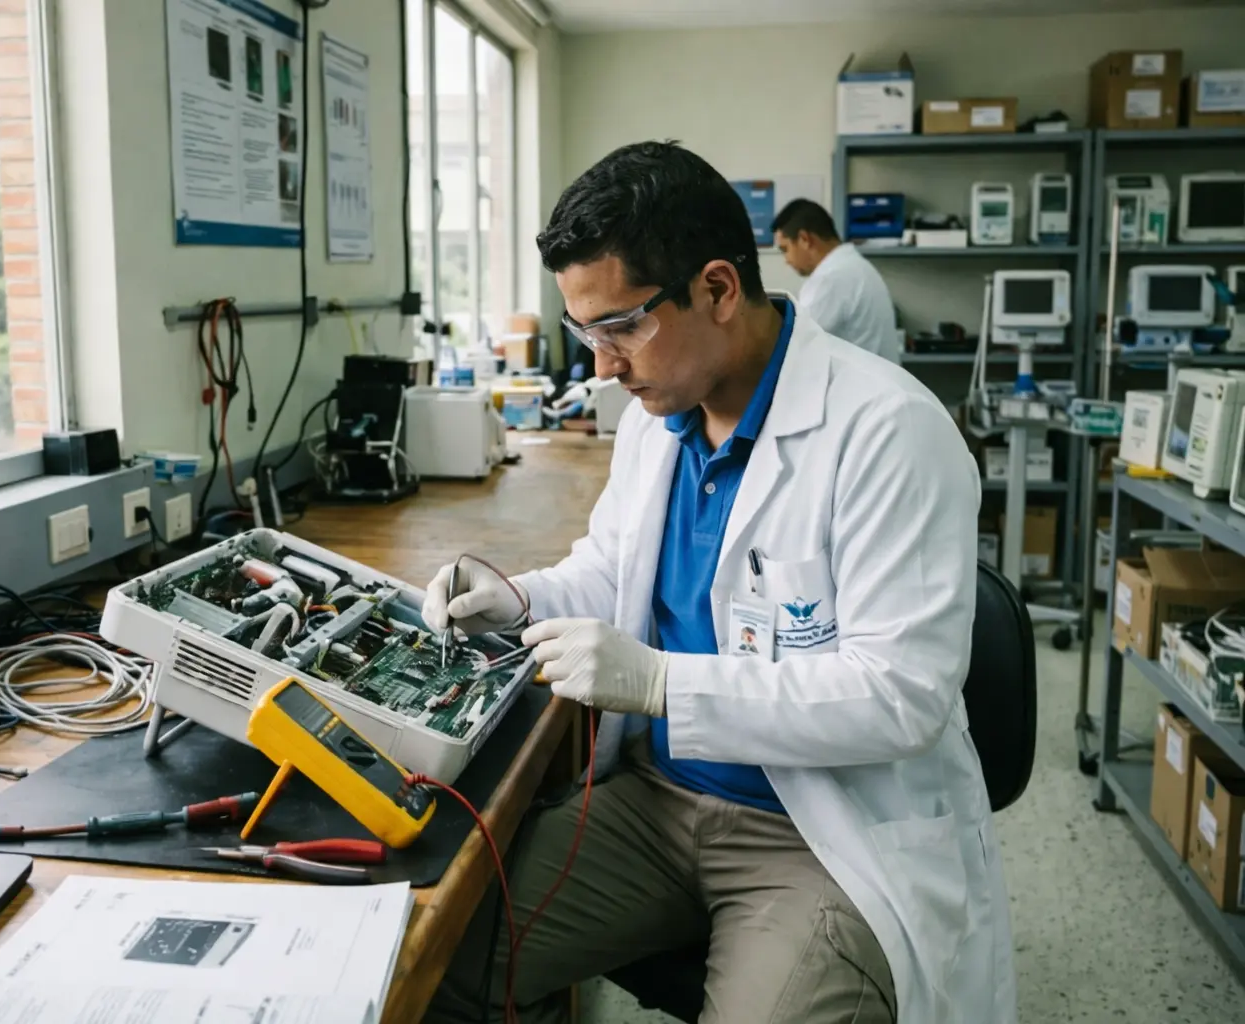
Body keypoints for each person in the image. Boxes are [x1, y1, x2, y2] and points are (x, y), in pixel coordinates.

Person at [421, 141, 1012, 1024]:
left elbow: (901, 695)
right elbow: (613, 574)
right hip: (658, 806)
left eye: (620, 327)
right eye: (588, 333)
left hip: (817, 829)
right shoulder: (656, 423)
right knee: (437, 956)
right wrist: (520, 598)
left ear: (719, 290)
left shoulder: (888, 432)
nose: (602, 367)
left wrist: (661, 681)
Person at [773, 198, 901, 363]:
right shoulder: (854, 266)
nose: (787, 260)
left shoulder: (831, 278)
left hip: (861, 385)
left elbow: (793, 345)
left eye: (786, 249)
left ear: (805, 239)